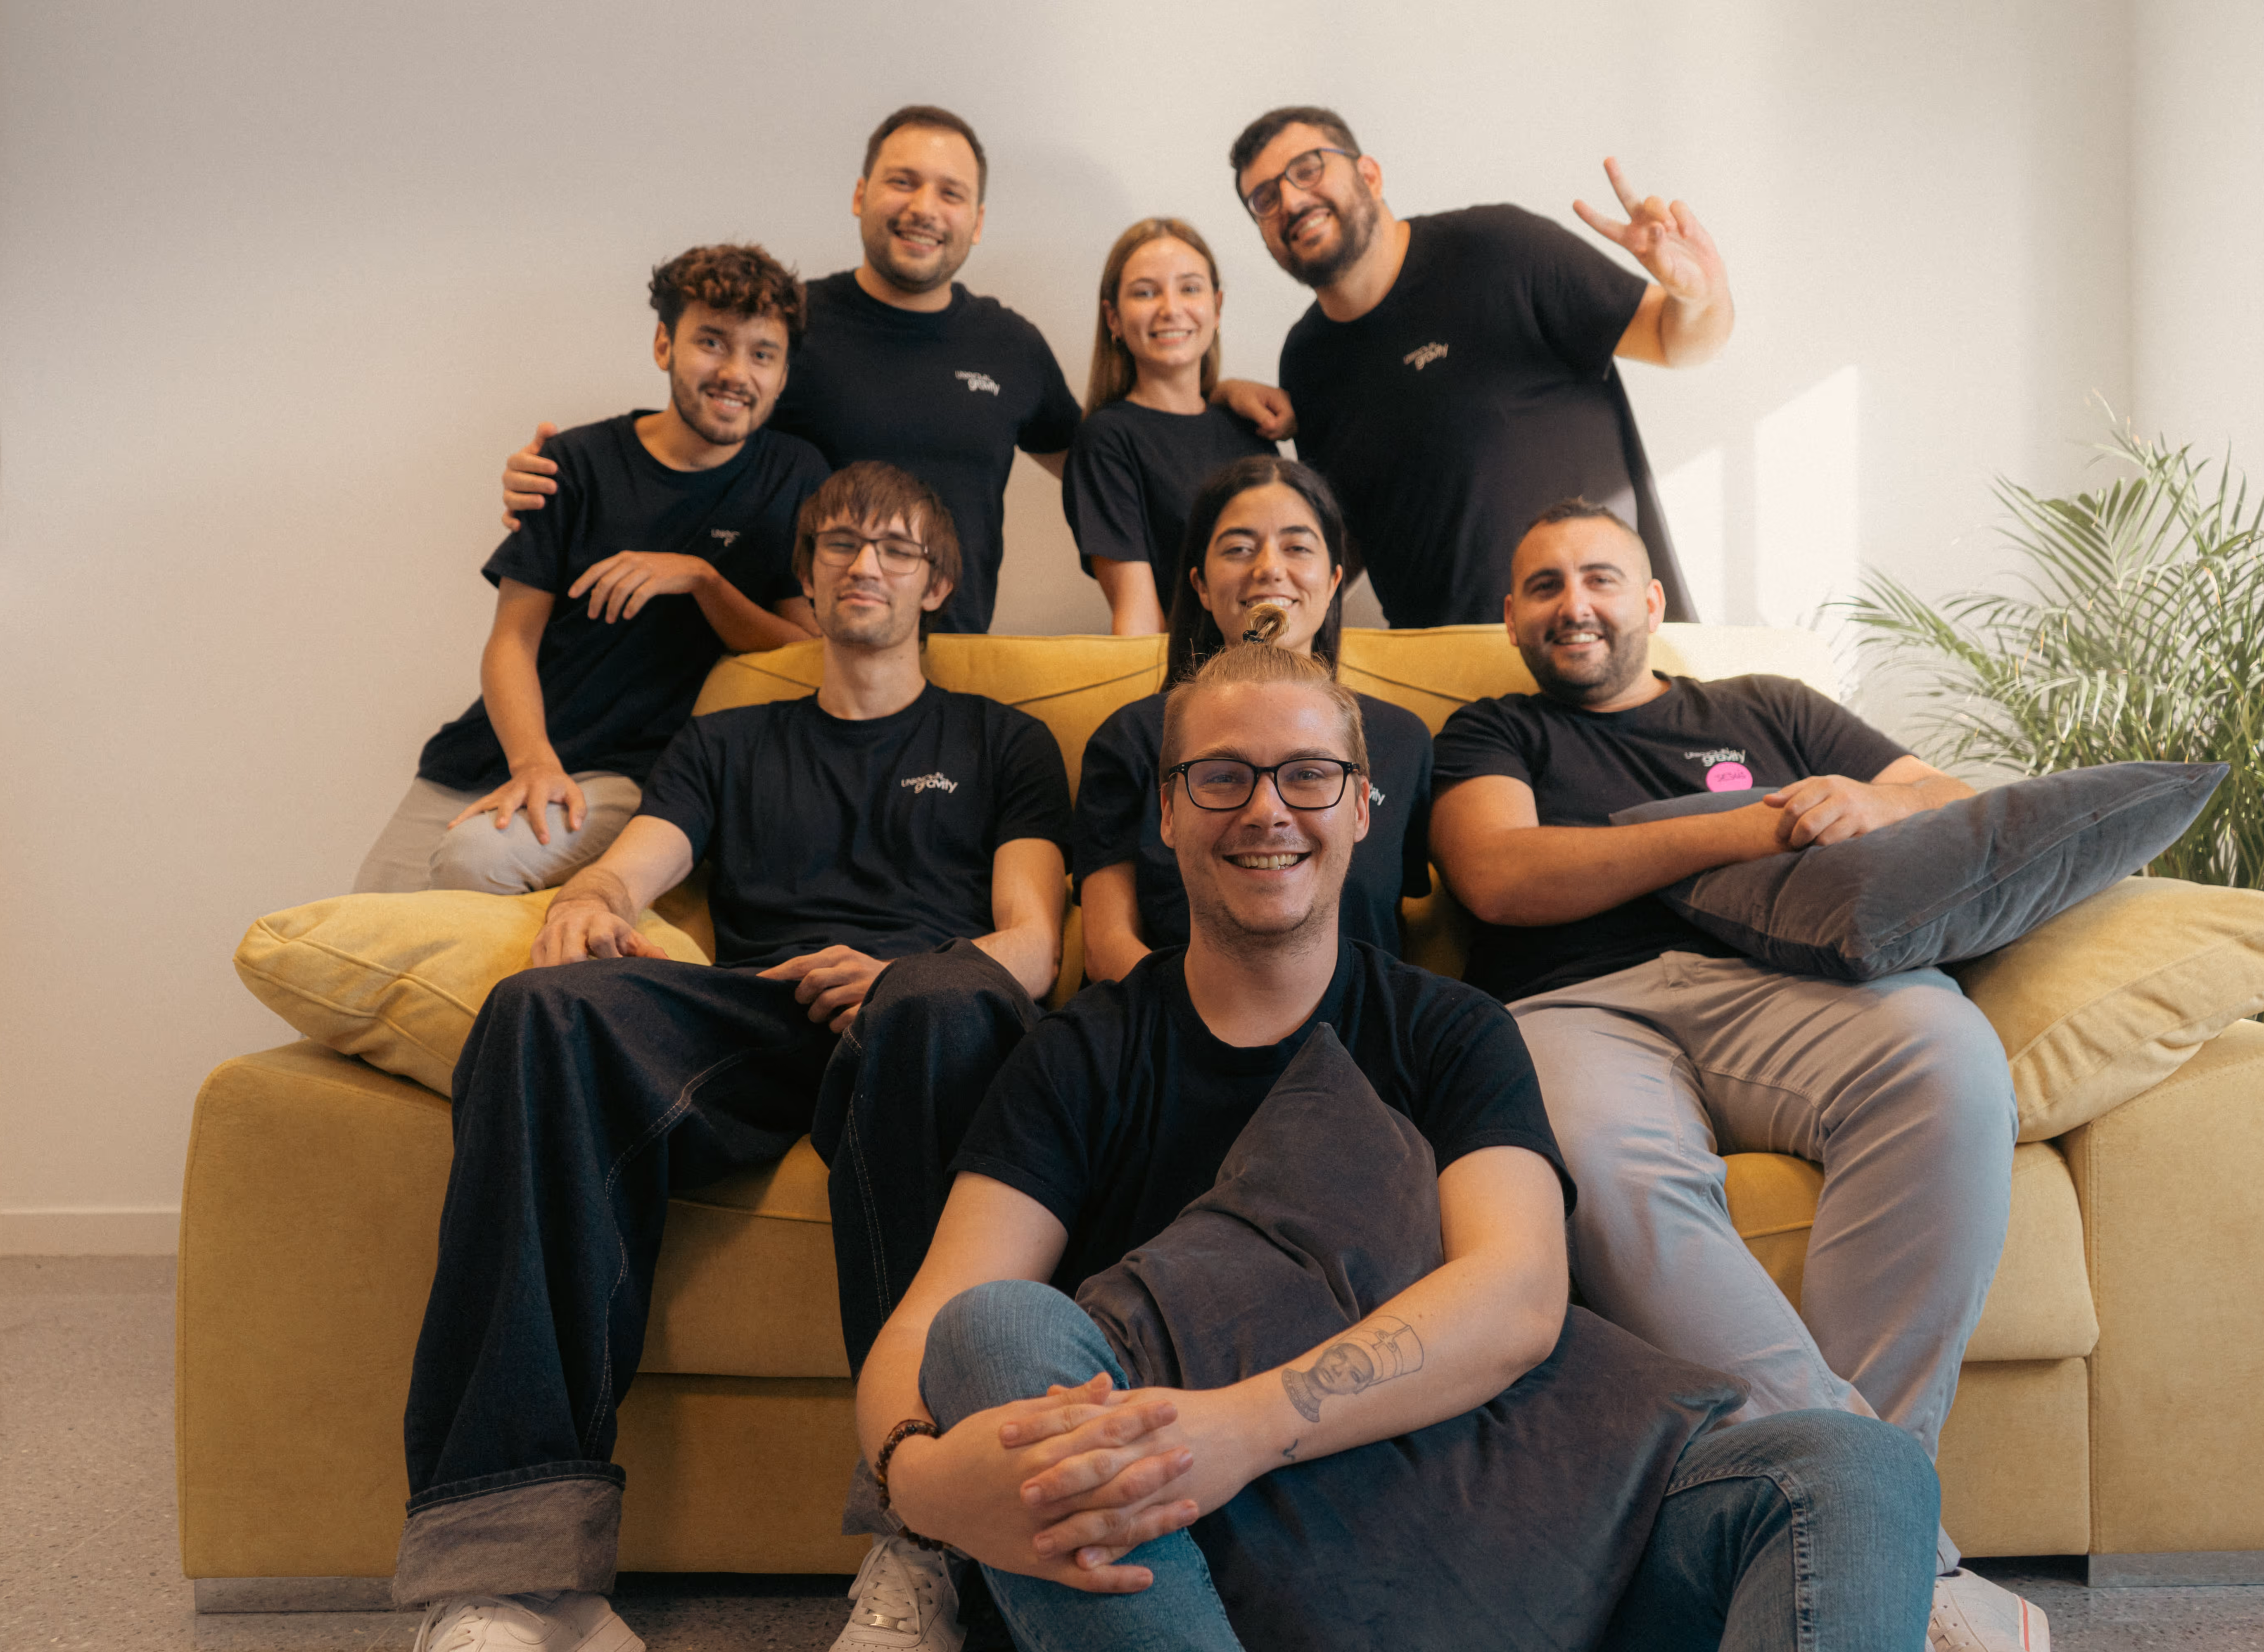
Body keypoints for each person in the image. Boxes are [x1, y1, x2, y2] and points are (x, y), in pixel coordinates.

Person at [844, 641, 1941, 1652]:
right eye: (1221, 778)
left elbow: (1516, 1296)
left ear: (1365, 808)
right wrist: (926, 1486)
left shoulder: (1450, 1028)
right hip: (1190, 1536)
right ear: (1168, 816)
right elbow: (935, 1320)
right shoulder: (1081, 1054)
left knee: (1854, 1468)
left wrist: (1244, 1427)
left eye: (1308, 776)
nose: (1267, 811)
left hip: (1479, 1512)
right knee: (997, 1327)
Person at [397, 462, 1073, 1652]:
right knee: (539, 1012)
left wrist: (912, 974)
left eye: (897, 549)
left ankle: (926, 1553)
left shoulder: (1003, 740)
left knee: (946, 1007)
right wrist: (592, 897)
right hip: (762, 1017)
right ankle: (518, 1581)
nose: (866, 564)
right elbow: (637, 862)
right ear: (806, 577)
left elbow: (1032, 944)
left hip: (925, 1027)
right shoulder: (727, 739)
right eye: (842, 545)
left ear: (937, 582)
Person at [1427, 500, 2048, 1652]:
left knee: (1950, 1056)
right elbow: (1499, 877)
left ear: (1654, 601)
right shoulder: (1493, 732)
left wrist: (1881, 800)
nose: (1576, 604)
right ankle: (1899, 1544)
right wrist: (1746, 827)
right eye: (1546, 585)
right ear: (1511, 615)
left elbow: (1959, 809)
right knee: (1595, 1160)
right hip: (1578, 1006)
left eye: (1601, 578)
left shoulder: (1772, 706)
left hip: (1795, 990)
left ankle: (1862, 1519)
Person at [503, 108, 1292, 636]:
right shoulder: (790, 325)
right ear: (861, 194)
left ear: (977, 223)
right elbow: (699, 435)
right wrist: (561, 483)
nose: (925, 207)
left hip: (956, 664)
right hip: (804, 651)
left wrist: (1210, 393)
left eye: (951, 193)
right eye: (903, 181)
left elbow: (1109, 461)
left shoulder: (1010, 345)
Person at [352, 244, 822, 896]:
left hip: (624, 776)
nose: (736, 372)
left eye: (762, 354)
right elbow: (511, 639)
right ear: (665, 345)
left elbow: (806, 653)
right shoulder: (574, 462)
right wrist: (533, 762)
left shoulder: (794, 477)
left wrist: (702, 579)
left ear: (783, 372)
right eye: (711, 343)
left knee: (472, 862)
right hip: (488, 754)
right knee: (358, 943)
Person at [1227, 103, 1732, 630]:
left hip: (1608, 649)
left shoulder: (1500, 250)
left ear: (1369, 175)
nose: (1289, 199)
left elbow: (1675, 341)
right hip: (1453, 686)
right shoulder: (1306, 361)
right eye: (1264, 198)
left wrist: (1701, 294)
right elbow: (1350, 537)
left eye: (1307, 169)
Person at [1071, 456, 1429, 985]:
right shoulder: (1133, 736)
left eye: (1297, 547)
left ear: (1334, 581)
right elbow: (1107, 948)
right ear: (1199, 583)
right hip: (1173, 1037)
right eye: (1238, 548)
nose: (1267, 568)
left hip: (1352, 1043)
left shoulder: (1403, 739)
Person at [1062, 218, 1274, 634]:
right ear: (1114, 319)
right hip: (1194, 683)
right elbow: (1138, 617)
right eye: (1145, 292)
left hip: (1281, 669)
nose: (1171, 308)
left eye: (1190, 288)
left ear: (1217, 308)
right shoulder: (1107, 439)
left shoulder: (1249, 430)